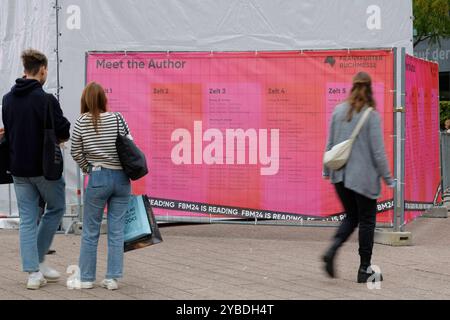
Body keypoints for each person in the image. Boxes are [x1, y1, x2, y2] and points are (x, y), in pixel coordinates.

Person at [1, 49, 71, 289]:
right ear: (42, 69)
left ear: (25, 69)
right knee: (57, 207)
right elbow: (63, 130)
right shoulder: (46, 99)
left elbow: (9, 132)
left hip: (18, 169)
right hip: (45, 169)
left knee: (28, 220)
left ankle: (33, 273)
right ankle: (39, 262)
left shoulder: (7, 99)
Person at [322, 72, 395, 284]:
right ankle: (364, 268)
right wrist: (388, 179)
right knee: (366, 220)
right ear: (370, 88)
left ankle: (333, 248)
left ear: (352, 86)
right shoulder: (371, 115)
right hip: (362, 179)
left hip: (340, 177)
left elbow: (330, 145)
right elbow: (378, 152)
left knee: (351, 216)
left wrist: (327, 171)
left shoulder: (338, 110)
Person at [70, 82, 131, 290]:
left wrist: (89, 169)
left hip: (97, 178)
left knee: (90, 231)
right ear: (104, 99)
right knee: (116, 230)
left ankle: (86, 278)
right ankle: (112, 278)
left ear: (85, 100)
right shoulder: (117, 118)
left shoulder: (81, 122)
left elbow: (75, 151)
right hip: (122, 179)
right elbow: (130, 145)